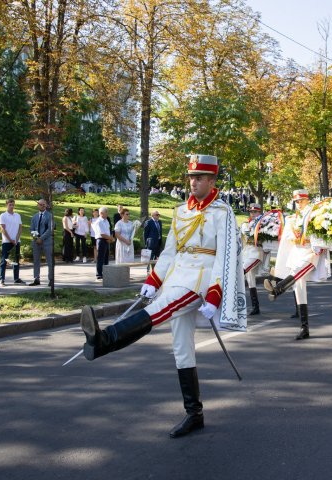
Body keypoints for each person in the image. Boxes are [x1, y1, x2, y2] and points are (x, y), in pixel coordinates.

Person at [80, 154, 246, 438]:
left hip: (200, 279)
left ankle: (104, 340)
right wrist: (153, 279)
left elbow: (226, 257)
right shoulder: (181, 211)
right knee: (181, 346)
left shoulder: (223, 212)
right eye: (190, 177)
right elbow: (170, 251)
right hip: (177, 274)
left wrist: (215, 293)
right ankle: (195, 413)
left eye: (198, 178)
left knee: (160, 310)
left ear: (211, 180)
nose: (192, 182)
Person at [263, 190, 329, 340]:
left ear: (307, 200)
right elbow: (286, 238)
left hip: (309, 252)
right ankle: (304, 328)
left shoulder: (314, 214)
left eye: (301, 200)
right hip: (296, 252)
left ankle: (278, 289)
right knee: (299, 290)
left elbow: (320, 232)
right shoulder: (292, 218)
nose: (299, 203)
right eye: (297, 201)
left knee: (298, 272)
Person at [241, 203, 265, 315]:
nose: (253, 214)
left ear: (260, 212)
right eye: (251, 212)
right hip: (247, 253)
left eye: (255, 212)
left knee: (240, 273)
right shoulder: (245, 224)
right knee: (250, 281)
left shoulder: (264, 223)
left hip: (256, 253)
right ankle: (256, 307)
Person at [0, 198, 25, 286]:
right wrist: (10, 240)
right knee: (4, 260)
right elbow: (3, 229)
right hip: (6, 241)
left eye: (13, 205)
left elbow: (20, 228)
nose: (12, 206)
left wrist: (16, 239)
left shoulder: (18, 215)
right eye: (10, 205)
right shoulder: (3, 215)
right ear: (6, 205)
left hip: (16, 241)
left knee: (16, 260)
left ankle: (16, 278)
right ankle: (2, 279)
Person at [29, 199, 54, 287]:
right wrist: (36, 238)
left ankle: (51, 279)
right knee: (36, 260)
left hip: (47, 241)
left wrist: (42, 238)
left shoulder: (50, 216)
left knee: (49, 261)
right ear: (38, 205)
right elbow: (31, 229)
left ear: (46, 205)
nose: (42, 206)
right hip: (36, 242)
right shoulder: (34, 217)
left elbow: (50, 229)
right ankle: (36, 278)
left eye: (44, 204)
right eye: (40, 204)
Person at [92, 206, 114, 279]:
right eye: (106, 212)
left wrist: (109, 239)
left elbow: (108, 231)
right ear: (101, 213)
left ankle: (105, 273)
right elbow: (102, 234)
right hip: (101, 240)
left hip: (106, 240)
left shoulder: (106, 220)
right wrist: (110, 238)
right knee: (101, 258)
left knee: (106, 258)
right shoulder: (99, 222)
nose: (107, 214)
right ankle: (99, 274)